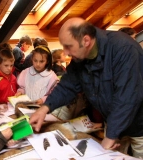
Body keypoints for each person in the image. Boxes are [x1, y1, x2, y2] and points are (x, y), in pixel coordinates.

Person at [29, 17, 143, 158]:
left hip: (139, 125)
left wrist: (111, 135)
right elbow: (67, 86)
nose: (65, 52)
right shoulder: (80, 58)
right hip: (113, 122)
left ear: (86, 41)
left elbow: (127, 96)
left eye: (68, 46)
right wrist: (44, 108)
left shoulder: (124, 49)